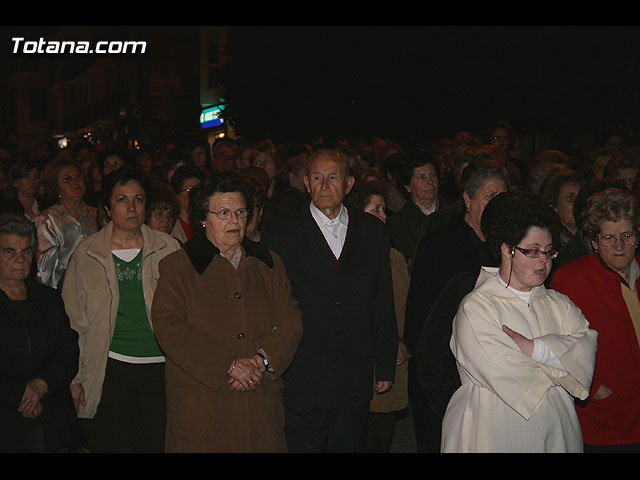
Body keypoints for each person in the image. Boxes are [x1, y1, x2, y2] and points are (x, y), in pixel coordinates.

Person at [150, 170, 302, 452]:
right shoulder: (178, 267)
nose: (234, 220)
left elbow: (290, 320)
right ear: (202, 218)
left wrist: (262, 361)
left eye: (241, 211)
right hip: (204, 409)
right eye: (223, 212)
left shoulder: (269, 264)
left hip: (260, 407)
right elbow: (169, 328)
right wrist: (229, 365)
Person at [261, 148, 398, 453]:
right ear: (306, 184)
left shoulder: (373, 231)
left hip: (353, 376)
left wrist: (385, 365)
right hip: (301, 377)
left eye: (333, 177)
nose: (324, 185)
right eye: (317, 177)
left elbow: (382, 301)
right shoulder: (280, 235)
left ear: (348, 184)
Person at [441, 191, 597, 453]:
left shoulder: (559, 304)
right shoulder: (477, 306)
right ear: (507, 250)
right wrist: (563, 363)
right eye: (533, 251)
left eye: (549, 252)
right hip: (493, 427)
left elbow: (588, 348)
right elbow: (504, 371)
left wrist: (535, 349)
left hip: (557, 426)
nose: (543, 261)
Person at [61, 166, 180, 452]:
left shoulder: (168, 248)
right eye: (122, 200)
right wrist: (76, 377)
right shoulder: (88, 253)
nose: (131, 208)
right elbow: (74, 320)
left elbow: (186, 312)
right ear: (107, 208)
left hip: (161, 367)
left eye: (138, 199)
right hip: (111, 367)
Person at [404, 157, 509, 452]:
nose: (497, 203)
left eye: (503, 196)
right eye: (490, 196)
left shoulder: (508, 247)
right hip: (445, 375)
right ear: (467, 198)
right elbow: (421, 320)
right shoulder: (439, 245)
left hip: (493, 376)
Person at [551, 188, 640, 452]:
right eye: (608, 237)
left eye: (627, 235)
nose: (619, 245)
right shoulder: (571, 279)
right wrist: (593, 387)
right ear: (593, 241)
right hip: (604, 423)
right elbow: (557, 345)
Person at [0, 213, 80, 452]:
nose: (19, 259)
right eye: (9, 251)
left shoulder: (48, 299)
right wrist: (21, 395)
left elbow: (68, 351)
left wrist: (40, 386)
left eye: (25, 251)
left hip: (51, 415)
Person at [347, 181, 410, 452]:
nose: (384, 215)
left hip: (393, 357)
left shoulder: (394, 257)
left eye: (384, 208)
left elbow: (405, 307)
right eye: (376, 209)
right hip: (364, 360)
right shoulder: (349, 259)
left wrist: (404, 341)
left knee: (383, 435)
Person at [34, 158, 98, 289]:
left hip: (99, 286)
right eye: (67, 179)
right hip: (65, 291)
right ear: (56, 188)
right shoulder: (47, 220)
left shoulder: (97, 214)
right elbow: (46, 271)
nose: (75, 182)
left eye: (77, 176)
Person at [386, 148, 453, 266]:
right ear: (407, 186)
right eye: (422, 178)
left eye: (432, 176)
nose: (430, 182)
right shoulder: (398, 223)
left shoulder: (455, 210)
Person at [538, 169, 585, 248]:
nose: (578, 203)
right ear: (553, 206)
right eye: (570, 198)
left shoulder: (590, 237)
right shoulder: (548, 241)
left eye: (581, 197)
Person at [169, 165, 205, 244]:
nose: (195, 195)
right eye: (190, 190)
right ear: (177, 194)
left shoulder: (205, 222)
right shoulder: (171, 225)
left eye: (198, 190)